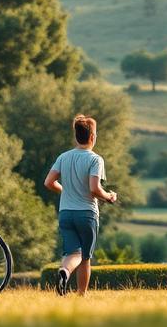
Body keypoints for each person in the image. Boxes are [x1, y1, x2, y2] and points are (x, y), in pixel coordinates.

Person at [44, 115, 117, 296]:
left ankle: (65, 272)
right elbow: (94, 189)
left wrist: (66, 191)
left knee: (71, 253)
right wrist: (109, 197)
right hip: (87, 214)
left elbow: (48, 182)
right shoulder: (95, 159)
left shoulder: (64, 157)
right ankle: (81, 294)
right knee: (85, 258)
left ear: (76, 136)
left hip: (66, 213)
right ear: (92, 137)